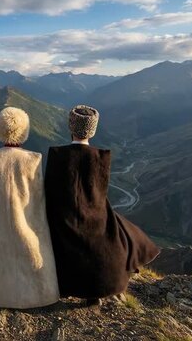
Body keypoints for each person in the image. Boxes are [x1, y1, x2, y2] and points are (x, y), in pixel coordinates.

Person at [44, 105, 160, 305]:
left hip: (63, 217)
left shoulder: (58, 155)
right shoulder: (101, 157)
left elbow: (50, 192)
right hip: (95, 215)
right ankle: (95, 287)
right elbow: (99, 195)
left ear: (70, 126)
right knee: (125, 230)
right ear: (93, 129)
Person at [0, 107, 60, 309]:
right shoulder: (34, 159)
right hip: (27, 224)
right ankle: (38, 292)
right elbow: (38, 198)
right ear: (24, 130)